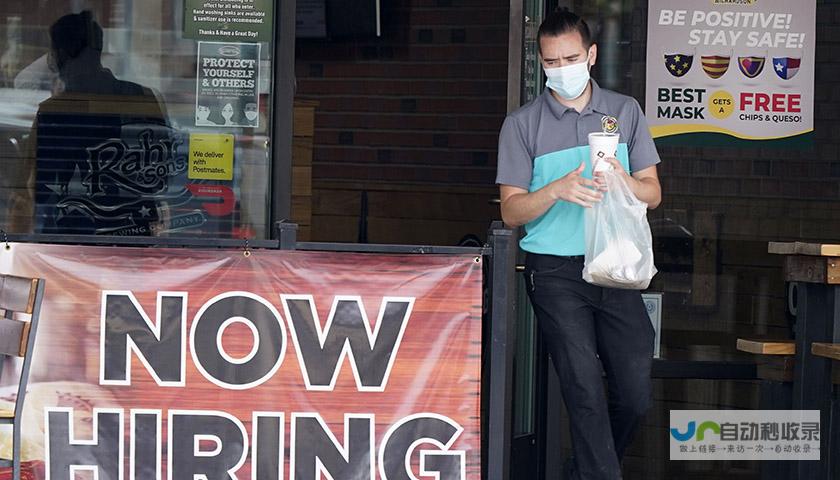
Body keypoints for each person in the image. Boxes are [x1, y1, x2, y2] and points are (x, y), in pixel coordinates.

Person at [495, 9, 661, 480]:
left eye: (570, 57)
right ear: (541, 63)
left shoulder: (623, 112)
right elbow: (511, 211)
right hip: (554, 272)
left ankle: (582, 471)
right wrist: (556, 190)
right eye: (551, 62)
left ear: (591, 55)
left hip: (616, 264)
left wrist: (625, 181)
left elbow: (653, 193)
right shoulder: (522, 125)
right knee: (583, 387)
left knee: (634, 393)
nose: (561, 69)